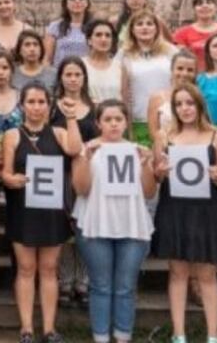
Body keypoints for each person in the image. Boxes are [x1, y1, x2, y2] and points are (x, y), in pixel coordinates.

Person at [2, 83, 83, 343]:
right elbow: (5, 172)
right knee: (26, 268)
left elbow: (75, 149)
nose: (36, 107)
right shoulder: (12, 135)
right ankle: (26, 328)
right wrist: (10, 179)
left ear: (49, 105)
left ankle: (49, 329)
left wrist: (71, 116)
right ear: (22, 105)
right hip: (23, 209)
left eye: (41, 102)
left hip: (51, 212)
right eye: (31, 102)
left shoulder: (59, 132)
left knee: (49, 269)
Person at [72, 100, 157, 343]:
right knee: (100, 285)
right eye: (107, 119)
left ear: (126, 122)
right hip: (96, 224)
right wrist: (85, 159)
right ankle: (100, 337)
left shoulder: (138, 150)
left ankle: (122, 336)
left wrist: (146, 166)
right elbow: (81, 188)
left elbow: (149, 192)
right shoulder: (87, 149)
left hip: (132, 225)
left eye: (118, 119)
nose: (113, 124)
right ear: (98, 123)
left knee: (125, 287)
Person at [151, 85, 217, 343]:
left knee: (207, 273)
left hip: (207, 209)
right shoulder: (164, 136)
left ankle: (213, 334)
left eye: (190, 103)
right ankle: (179, 333)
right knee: (177, 271)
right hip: (174, 208)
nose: (185, 108)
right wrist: (160, 172)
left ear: (199, 105)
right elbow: (156, 176)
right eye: (179, 104)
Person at [51, 58, 97, 304]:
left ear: (84, 78)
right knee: (65, 229)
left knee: (85, 227)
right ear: (61, 78)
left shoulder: (95, 107)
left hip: (88, 175)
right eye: (68, 74)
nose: (73, 78)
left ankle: (84, 280)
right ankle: (66, 279)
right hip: (59, 175)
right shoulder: (51, 107)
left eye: (77, 74)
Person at [120, 11, 179, 147]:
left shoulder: (171, 51)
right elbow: (123, 92)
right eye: (139, 24)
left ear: (157, 28)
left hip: (168, 119)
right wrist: (127, 125)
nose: (145, 27)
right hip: (138, 119)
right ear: (132, 30)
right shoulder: (124, 54)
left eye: (149, 24)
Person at [172, 0, 217, 70]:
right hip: (194, 76)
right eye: (200, 4)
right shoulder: (182, 33)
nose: (205, 6)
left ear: (215, 7)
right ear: (194, 9)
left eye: (209, 3)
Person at [145, 51, 198, 146]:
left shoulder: (200, 97)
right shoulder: (157, 98)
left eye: (190, 70)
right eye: (180, 68)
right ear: (172, 69)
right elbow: (154, 133)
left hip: (194, 148)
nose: (184, 73)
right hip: (166, 149)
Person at [44, 0, 94, 69]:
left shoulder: (94, 27)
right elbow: (47, 59)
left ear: (87, 3)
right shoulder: (55, 27)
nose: (77, 1)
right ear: (65, 3)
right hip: (60, 76)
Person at [82, 20, 122, 104]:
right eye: (98, 35)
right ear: (89, 40)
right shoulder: (81, 65)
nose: (103, 39)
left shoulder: (120, 67)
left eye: (108, 36)